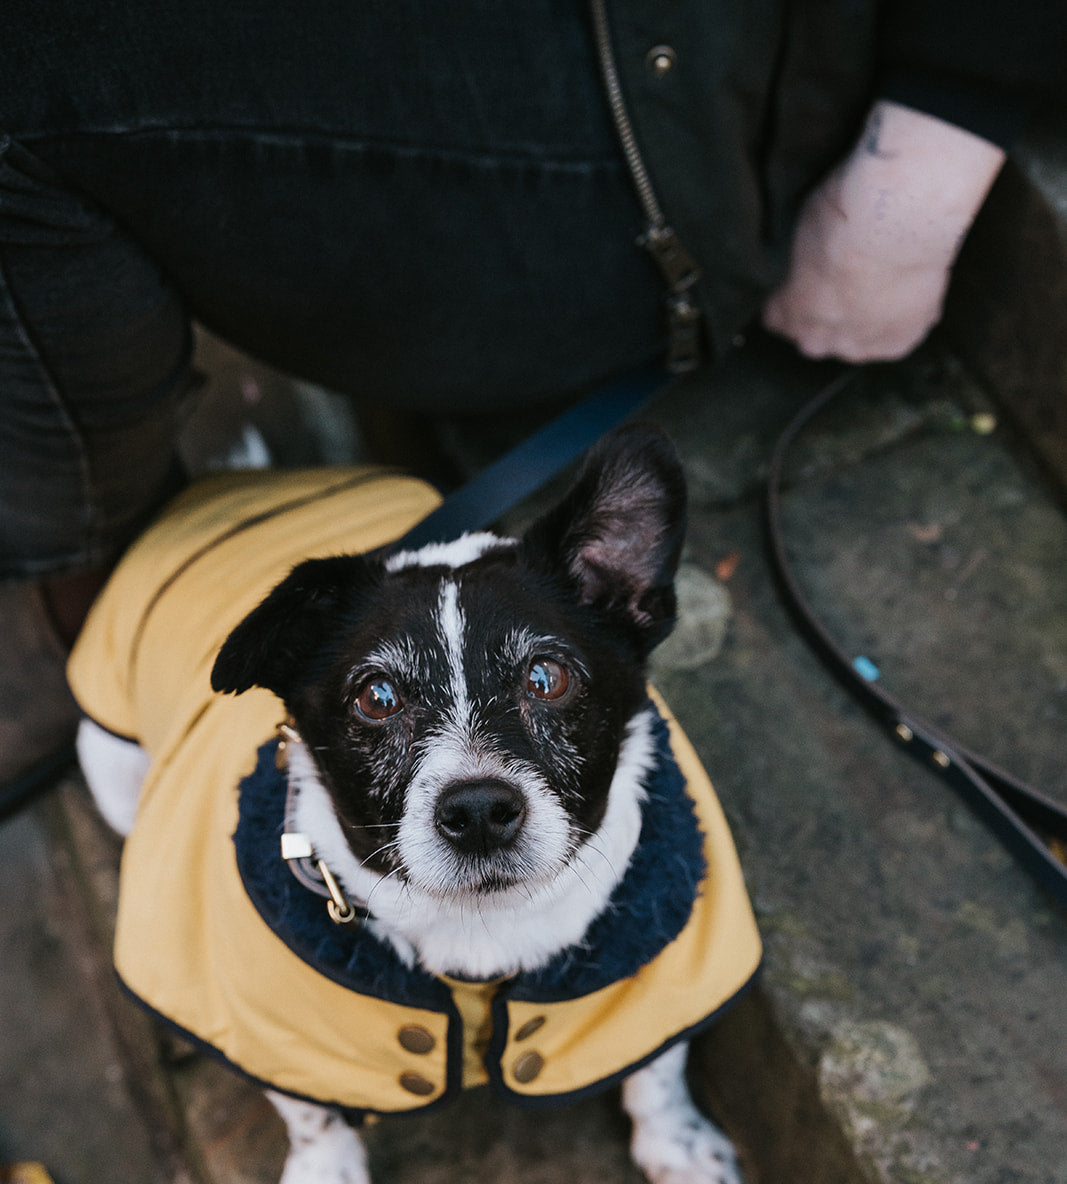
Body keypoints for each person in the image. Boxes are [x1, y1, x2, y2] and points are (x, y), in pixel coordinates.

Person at [0, 0, 1061, 812]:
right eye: (379, 701)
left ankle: (91, 595)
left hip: (668, 97)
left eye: (548, 679)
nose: (472, 784)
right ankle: (117, 639)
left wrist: (935, 139)